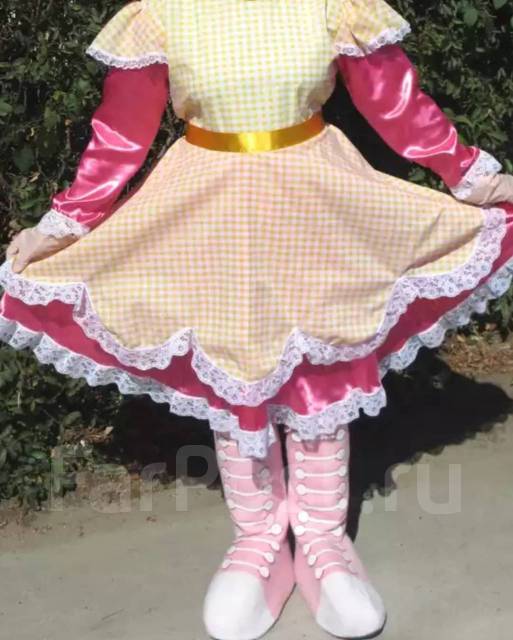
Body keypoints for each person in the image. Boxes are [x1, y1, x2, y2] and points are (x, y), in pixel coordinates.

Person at [1, 1, 513, 638]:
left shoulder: (331, 6)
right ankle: (259, 539)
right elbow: (121, 134)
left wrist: (470, 175)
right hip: (207, 206)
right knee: (233, 368)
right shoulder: (162, 14)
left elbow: (396, 103)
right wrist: (63, 224)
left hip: (315, 196)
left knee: (322, 363)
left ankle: (323, 542)